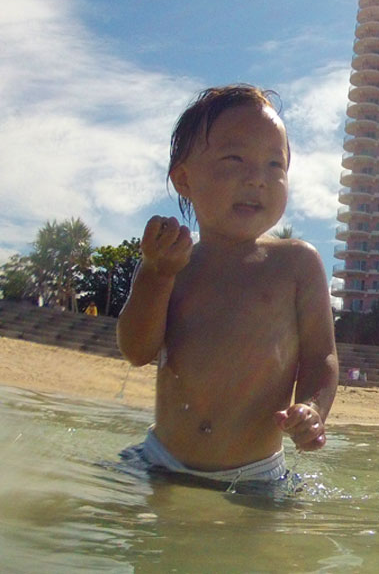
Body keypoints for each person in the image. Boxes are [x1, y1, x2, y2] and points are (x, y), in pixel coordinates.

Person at [117, 85, 339, 484]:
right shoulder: (171, 262)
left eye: (275, 164)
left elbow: (321, 356)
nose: (257, 179)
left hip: (255, 476)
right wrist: (156, 274)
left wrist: (312, 408)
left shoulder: (296, 264)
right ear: (184, 179)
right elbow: (137, 350)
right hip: (159, 461)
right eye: (235, 159)